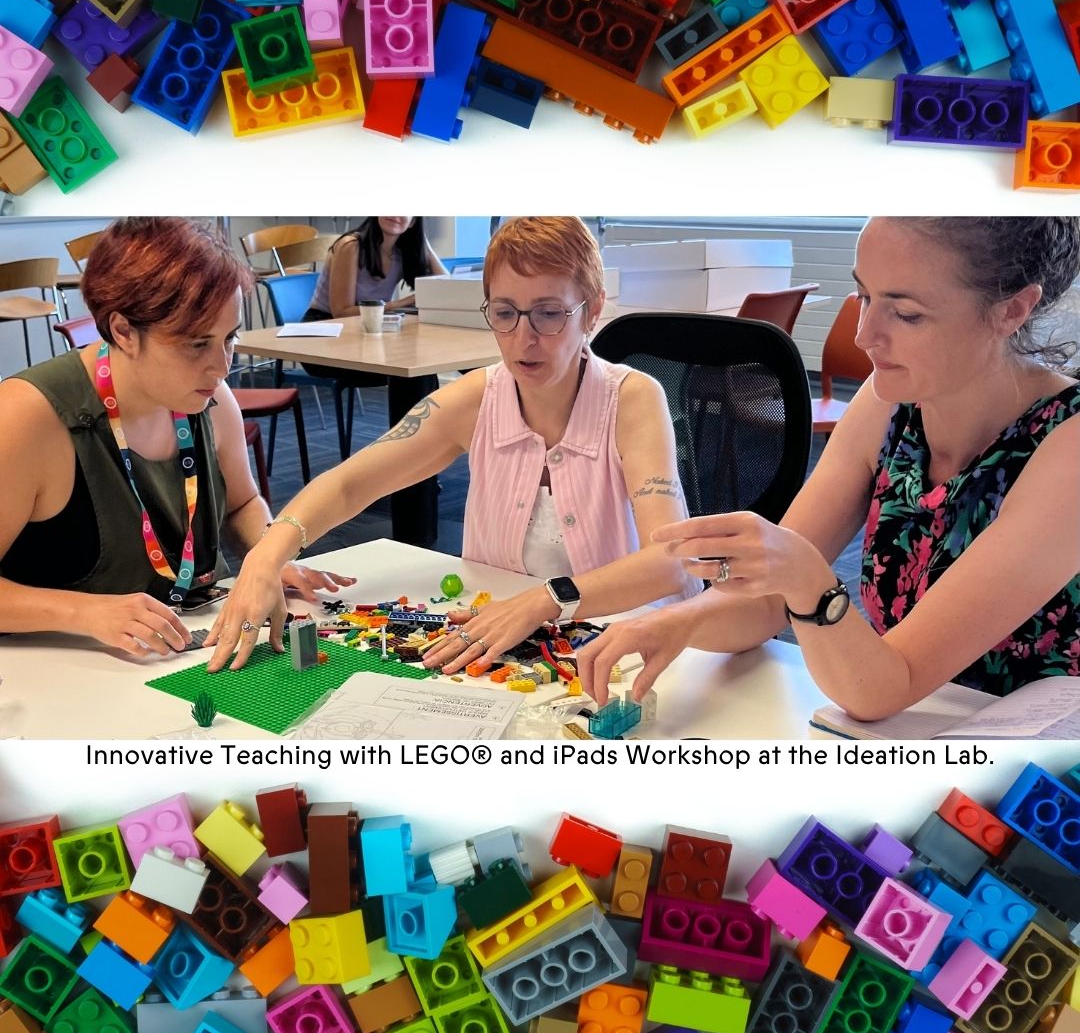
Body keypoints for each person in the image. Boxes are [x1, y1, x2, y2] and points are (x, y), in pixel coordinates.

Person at [579, 216, 1080, 721]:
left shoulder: (1068, 448)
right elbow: (764, 601)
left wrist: (806, 578)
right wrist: (677, 621)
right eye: (864, 297)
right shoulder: (892, 399)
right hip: (914, 717)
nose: (864, 336)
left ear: (1012, 310)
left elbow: (882, 688)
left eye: (905, 314)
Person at [206, 216, 700, 672]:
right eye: (504, 313)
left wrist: (545, 599)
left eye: (549, 315)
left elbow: (675, 563)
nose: (523, 338)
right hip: (499, 633)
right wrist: (263, 559)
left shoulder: (633, 399)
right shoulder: (475, 399)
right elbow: (349, 485)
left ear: (590, 311)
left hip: (623, 642)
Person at [0, 217, 354, 658]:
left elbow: (242, 503)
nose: (223, 367)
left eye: (230, 338)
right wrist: (83, 613)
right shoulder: (27, 415)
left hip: (179, 647)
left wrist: (268, 558)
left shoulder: (211, 397)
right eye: (196, 344)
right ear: (124, 331)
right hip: (60, 668)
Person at [305, 216, 447, 321]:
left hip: (367, 323)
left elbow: (447, 285)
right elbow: (341, 312)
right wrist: (400, 303)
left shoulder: (402, 253)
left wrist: (424, 243)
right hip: (325, 325)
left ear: (413, 222)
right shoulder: (351, 246)